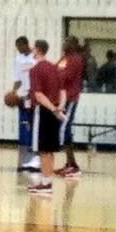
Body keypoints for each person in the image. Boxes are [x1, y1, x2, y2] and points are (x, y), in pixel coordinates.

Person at [27, 40, 68, 195]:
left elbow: (38, 94)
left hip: (43, 111)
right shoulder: (55, 68)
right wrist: (60, 107)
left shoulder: (35, 69)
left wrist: (52, 109)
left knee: (43, 150)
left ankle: (45, 185)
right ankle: (47, 182)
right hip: (55, 110)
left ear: (37, 50)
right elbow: (63, 92)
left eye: (33, 47)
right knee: (50, 150)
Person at [56, 35, 85, 178]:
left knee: (65, 129)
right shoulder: (64, 58)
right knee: (64, 129)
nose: (64, 43)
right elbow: (56, 71)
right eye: (64, 41)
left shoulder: (75, 59)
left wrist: (55, 75)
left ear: (73, 45)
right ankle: (69, 164)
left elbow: (65, 76)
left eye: (67, 42)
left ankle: (74, 166)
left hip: (71, 98)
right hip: (62, 98)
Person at [12, 36, 39, 171]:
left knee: (34, 122)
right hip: (23, 95)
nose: (18, 49)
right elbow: (17, 78)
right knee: (25, 122)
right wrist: (13, 92)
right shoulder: (18, 59)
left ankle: (34, 150)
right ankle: (26, 149)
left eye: (19, 46)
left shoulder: (35, 57)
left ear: (26, 44)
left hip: (34, 95)